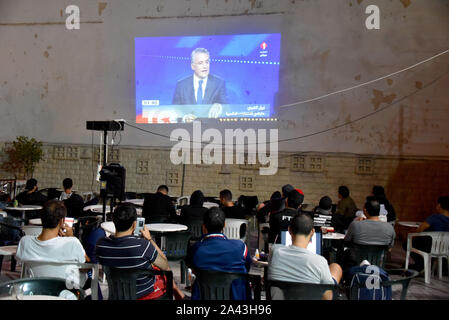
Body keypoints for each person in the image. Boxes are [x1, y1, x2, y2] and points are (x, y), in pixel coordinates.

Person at [96, 203, 185, 300]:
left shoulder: (101, 244)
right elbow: (165, 265)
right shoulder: (143, 246)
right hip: (145, 296)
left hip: (117, 295)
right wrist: (149, 239)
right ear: (135, 224)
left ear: (113, 220)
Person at [16, 200, 88, 290]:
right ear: (62, 221)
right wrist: (71, 236)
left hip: (36, 290)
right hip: (67, 293)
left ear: (41, 219)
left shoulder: (25, 242)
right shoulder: (73, 243)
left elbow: (19, 259)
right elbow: (86, 266)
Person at [268, 213, 342, 299]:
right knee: (335, 267)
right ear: (312, 232)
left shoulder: (275, 251)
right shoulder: (320, 261)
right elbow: (327, 297)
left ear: (289, 230)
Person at [186, 207, 252, 300]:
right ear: (224, 225)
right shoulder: (241, 247)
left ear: (204, 227)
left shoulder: (196, 249)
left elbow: (192, 268)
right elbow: (247, 267)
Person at [343, 196, 396, 270]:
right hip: (378, 266)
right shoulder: (390, 227)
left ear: (364, 211)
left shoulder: (355, 224)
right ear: (379, 211)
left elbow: (346, 240)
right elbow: (389, 249)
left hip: (356, 263)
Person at [405, 196, 449, 272]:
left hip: (429, 247)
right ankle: (427, 265)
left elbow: (420, 229)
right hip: (445, 249)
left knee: (407, 244)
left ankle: (421, 265)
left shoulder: (435, 217)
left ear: (439, 205)